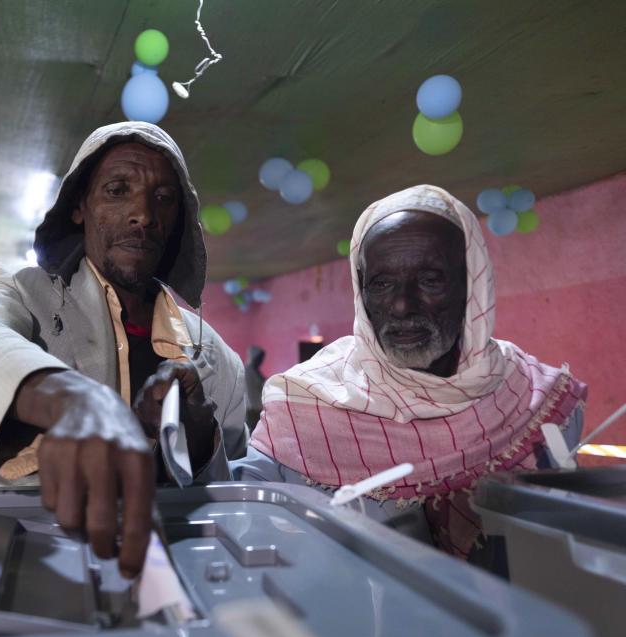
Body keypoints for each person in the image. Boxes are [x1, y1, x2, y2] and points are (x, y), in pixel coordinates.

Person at [0, 122, 248, 577]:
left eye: (163, 198)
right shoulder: (22, 291)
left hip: (175, 570)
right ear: (78, 208)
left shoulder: (216, 358)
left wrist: (201, 437)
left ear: (177, 220)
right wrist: (68, 398)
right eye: (117, 190)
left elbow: (237, 503)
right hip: (37, 563)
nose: (142, 214)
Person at [232, 185, 587, 563]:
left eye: (430, 279)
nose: (402, 305)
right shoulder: (306, 406)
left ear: (473, 284)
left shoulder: (537, 402)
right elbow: (243, 524)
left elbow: (570, 548)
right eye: (382, 284)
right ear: (361, 291)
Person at [244, 345, 266, 429]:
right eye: (260, 358)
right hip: (252, 408)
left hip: (257, 407)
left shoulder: (255, 371)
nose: (261, 360)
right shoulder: (248, 371)